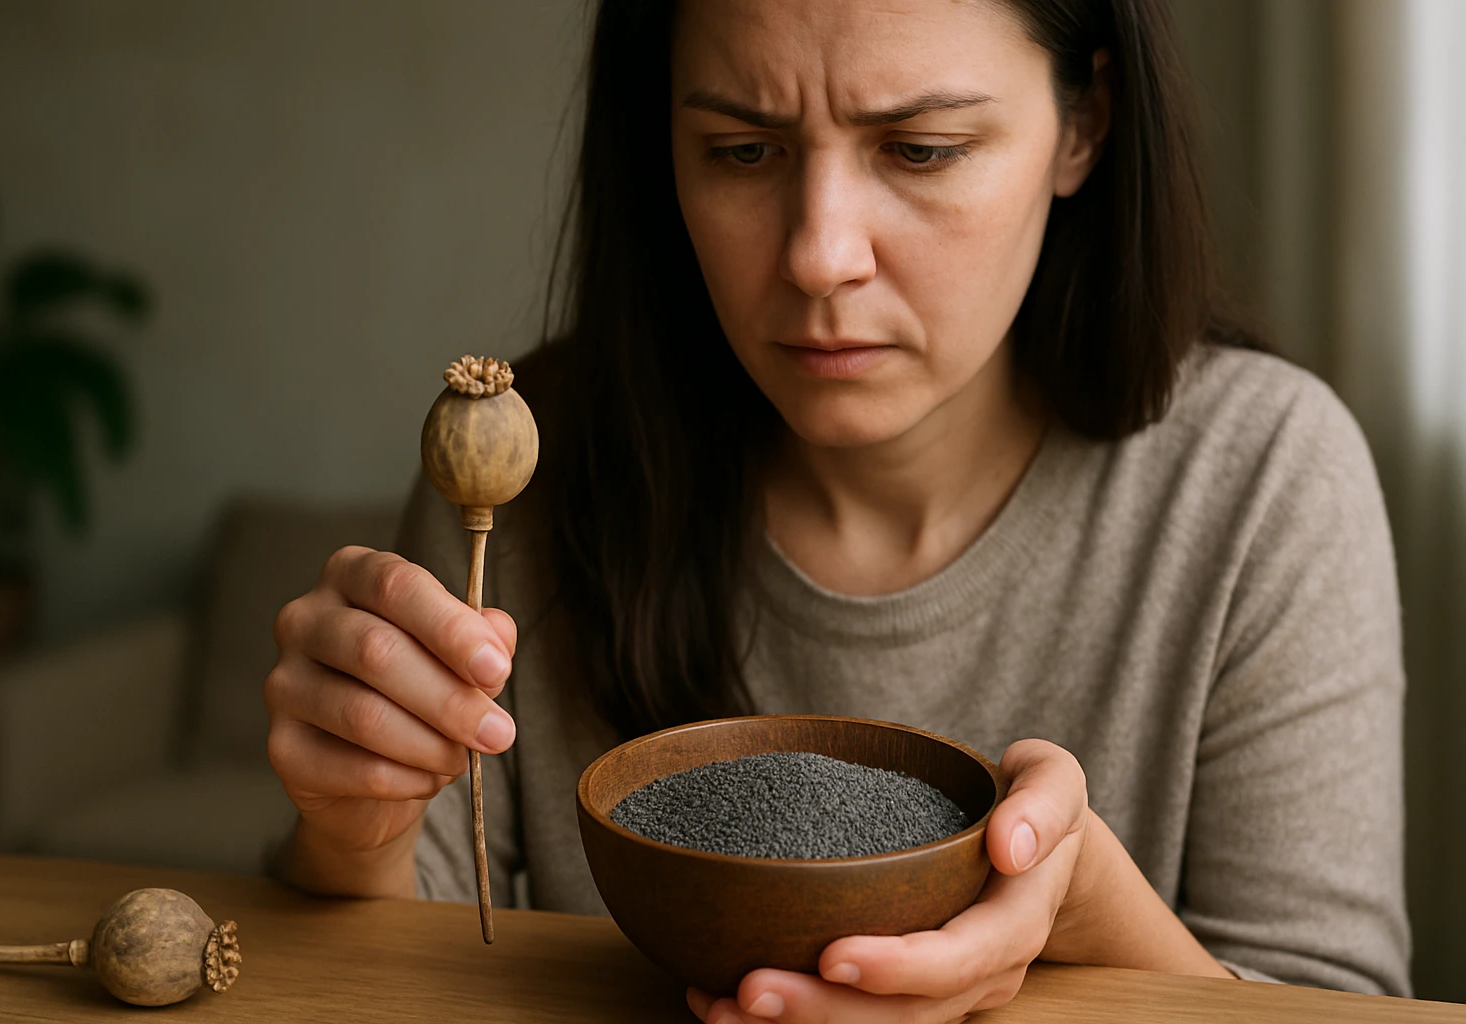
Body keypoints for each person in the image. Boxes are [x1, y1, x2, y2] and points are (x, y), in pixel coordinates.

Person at [263, 0, 1411, 1018]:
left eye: (921, 148)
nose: (820, 255)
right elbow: (399, 959)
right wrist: (353, 824)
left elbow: (1335, 1007)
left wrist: (1088, 911)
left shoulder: (1262, 479)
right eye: (742, 149)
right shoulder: (528, 464)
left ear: (1084, 123)